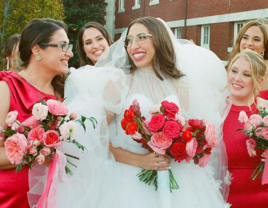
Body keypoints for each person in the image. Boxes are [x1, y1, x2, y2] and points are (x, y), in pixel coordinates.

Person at [61, 17, 230, 208]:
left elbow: (187, 131)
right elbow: (97, 137)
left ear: (158, 39)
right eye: (130, 40)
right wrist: (139, 160)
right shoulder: (119, 82)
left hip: (180, 181)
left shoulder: (181, 84)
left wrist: (182, 147)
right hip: (129, 180)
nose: (134, 46)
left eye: (141, 37)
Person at [0, 18, 73, 208]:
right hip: (10, 200)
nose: (70, 53)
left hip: (58, 198)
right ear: (37, 49)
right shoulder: (5, 88)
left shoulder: (67, 94)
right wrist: (38, 152)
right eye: (63, 46)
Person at [223, 50, 268, 207]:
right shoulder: (213, 111)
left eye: (246, 75)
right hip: (221, 201)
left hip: (262, 199)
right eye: (234, 71)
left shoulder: (266, 110)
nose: (237, 78)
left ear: (259, 81)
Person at [225, 20, 268, 99]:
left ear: (264, 47)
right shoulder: (226, 70)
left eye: (256, 39)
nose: (249, 43)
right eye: (245, 37)